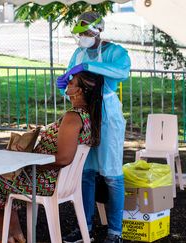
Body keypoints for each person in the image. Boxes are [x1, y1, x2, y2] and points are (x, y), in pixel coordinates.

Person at [0, 71, 104, 243]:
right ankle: (14, 233)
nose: (67, 83)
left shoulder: (73, 117)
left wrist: (27, 164)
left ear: (79, 91)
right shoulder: (85, 115)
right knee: (1, 174)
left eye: (71, 82)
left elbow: (64, 158)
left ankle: (3, 234)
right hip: (54, 178)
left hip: (46, 181)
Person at [57, 11, 131, 243]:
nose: (83, 38)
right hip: (84, 116)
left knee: (111, 174)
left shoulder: (116, 52)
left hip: (108, 116)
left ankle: (115, 232)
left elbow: (122, 73)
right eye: (80, 34)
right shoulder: (77, 53)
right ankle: (84, 226)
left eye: (87, 33)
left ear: (99, 30)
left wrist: (89, 66)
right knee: (85, 172)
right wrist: (62, 85)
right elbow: (70, 84)